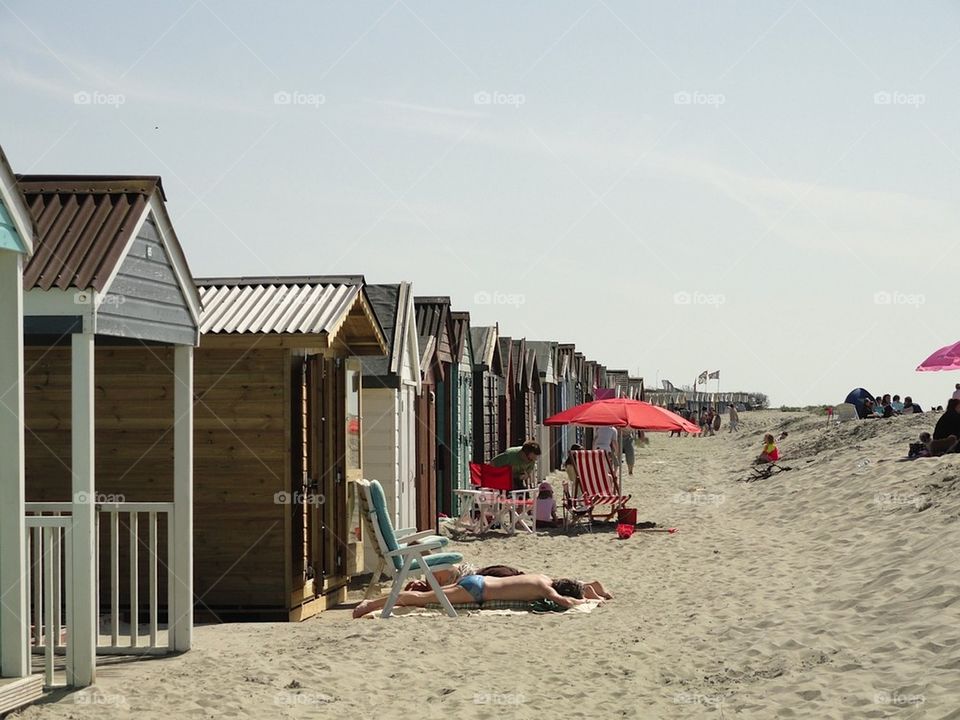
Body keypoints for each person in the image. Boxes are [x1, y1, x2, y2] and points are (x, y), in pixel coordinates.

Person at [353, 573, 591, 617]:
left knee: (426, 596)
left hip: (476, 580)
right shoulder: (545, 590)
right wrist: (586, 601)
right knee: (423, 600)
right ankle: (370, 605)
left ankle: (372, 603)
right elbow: (565, 602)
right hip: (476, 591)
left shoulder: (543, 578)